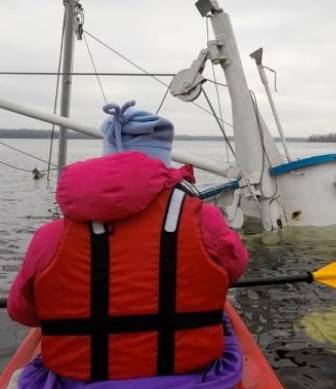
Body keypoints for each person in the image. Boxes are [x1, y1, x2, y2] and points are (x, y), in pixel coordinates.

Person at [8, 101, 249, 388]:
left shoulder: (49, 236)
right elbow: (234, 271)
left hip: (77, 379)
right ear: (164, 162)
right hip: (196, 378)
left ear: (107, 157)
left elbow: (23, 312)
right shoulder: (206, 220)